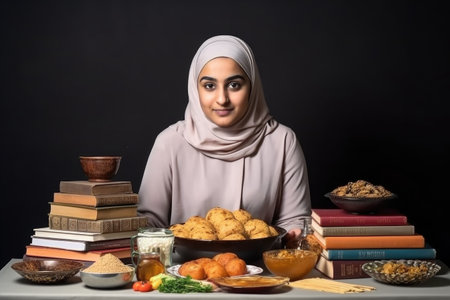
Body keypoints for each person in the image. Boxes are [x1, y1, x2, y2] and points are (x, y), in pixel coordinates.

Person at [138, 35, 311, 247]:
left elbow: (295, 220)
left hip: (260, 273)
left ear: (252, 86)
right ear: (195, 88)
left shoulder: (282, 141)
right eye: (209, 86)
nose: (222, 99)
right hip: (185, 272)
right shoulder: (170, 142)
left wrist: (295, 233)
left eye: (234, 85)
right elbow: (149, 224)